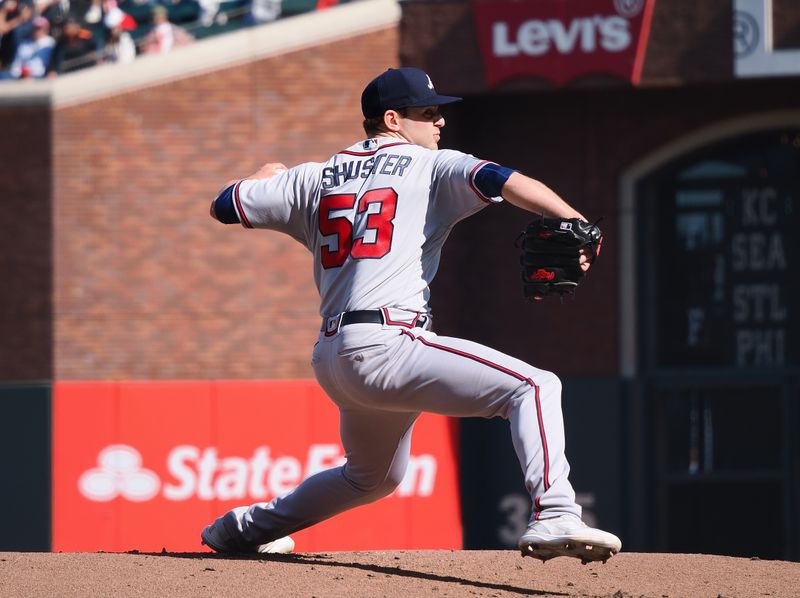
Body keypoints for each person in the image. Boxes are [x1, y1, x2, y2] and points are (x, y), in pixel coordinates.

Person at [201, 67, 622, 563]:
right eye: (428, 112)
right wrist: (573, 220)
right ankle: (555, 512)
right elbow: (505, 181)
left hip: (334, 358)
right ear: (393, 119)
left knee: (372, 478)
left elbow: (224, 205)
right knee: (533, 386)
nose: (440, 122)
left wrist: (264, 177)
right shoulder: (430, 165)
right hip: (388, 344)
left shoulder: (312, 177)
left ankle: (241, 529)